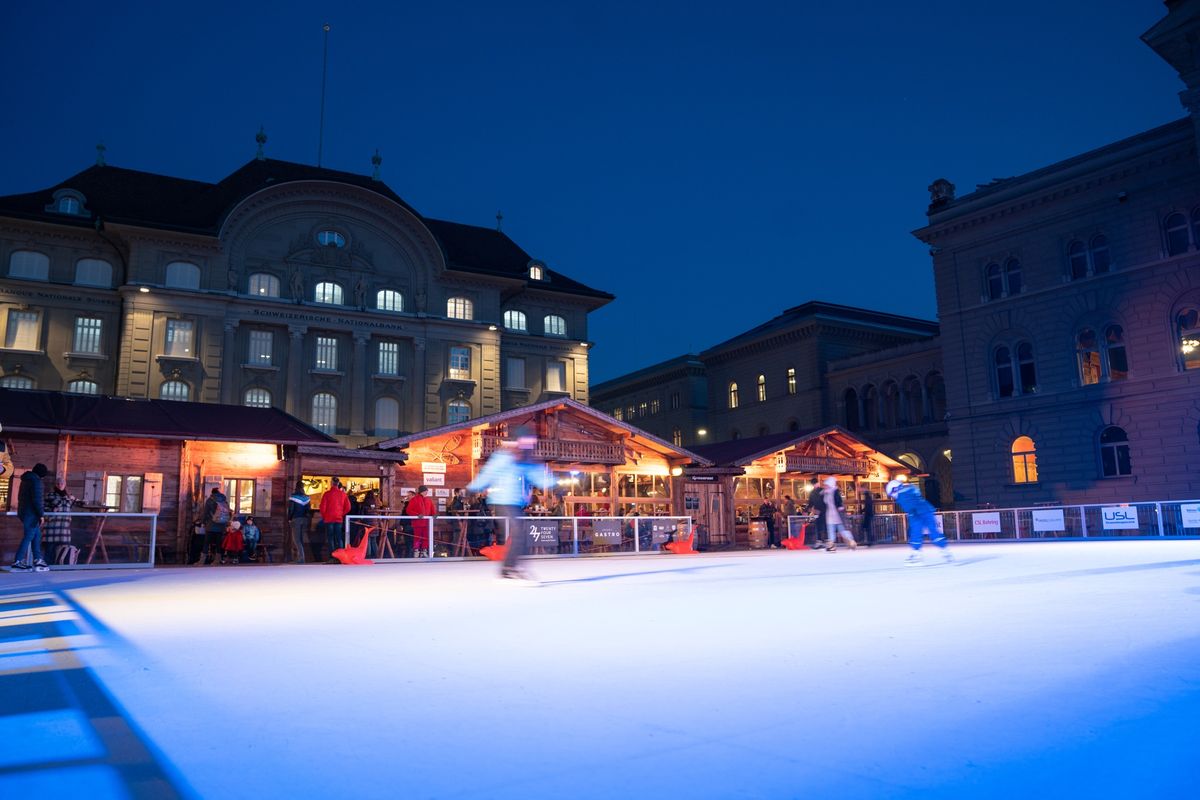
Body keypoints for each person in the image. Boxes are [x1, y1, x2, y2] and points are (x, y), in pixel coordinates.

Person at [467, 424, 554, 581]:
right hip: (501, 502)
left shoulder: (525, 459)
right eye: (526, 443)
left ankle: (508, 568)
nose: (528, 447)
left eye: (530, 444)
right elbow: (488, 473)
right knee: (519, 533)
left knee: (521, 534)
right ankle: (511, 568)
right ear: (519, 441)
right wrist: (473, 488)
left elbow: (537, 474)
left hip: (515, 503)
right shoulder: (503, 457)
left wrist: (554, 485)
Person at [886, 479, 953, 566]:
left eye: (892, 494)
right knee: (934, 532)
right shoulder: (910, 488)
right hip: (927, 511)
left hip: (916, 514)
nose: (893, 497)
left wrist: (912, 514)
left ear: (894, 489)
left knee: (916, 533)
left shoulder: (902, 495)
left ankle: (917, 556)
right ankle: (945, 551)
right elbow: (918, 496)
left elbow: (909, 507)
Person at [12, 463, 51, 572]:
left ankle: (38, 559)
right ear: (41, 474)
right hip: (32, 514)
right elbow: (37, 500)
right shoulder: (36, 481)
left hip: (24, 512)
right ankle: (18, 561)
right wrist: (41, 515)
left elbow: (21, 498)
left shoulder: (25, 480)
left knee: (36, 536)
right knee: (29, 536)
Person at [809, 477, 857, 552]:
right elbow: (819, 502)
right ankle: (831, 545)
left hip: (837, 515)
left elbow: (838, 501)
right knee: (830, 530)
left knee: (842, 530)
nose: (825, 486)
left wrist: (840, 508)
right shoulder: (824, 493)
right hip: (829, 515)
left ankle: (851, 542)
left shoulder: (835, 492)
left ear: (830, 485)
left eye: (826, 485)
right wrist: (817, 509)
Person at [43, 474, 80, 565]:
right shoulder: (49, 496)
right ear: (55, 484)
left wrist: (78, 500)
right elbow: (43, 508)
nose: (60, 484)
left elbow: (78, 504)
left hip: (64, 529)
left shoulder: (69, 497)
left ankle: (60, 569)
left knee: (63, 551)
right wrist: (52, 510)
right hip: (51, 528)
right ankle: (47, 567)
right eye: (58, 483)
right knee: (49, 551)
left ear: (65, 484)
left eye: (62, 483)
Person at [319, 477, 351, 562]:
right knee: (339, 538)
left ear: (331, 483)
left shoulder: (327, 494)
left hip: (329, 519)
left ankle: (332, 557)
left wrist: (325, 516)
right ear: (338, 483)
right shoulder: (343, 494)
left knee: (330, 538)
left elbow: (322, 508)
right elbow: (348, 507)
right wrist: (341, 514)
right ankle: (341, 557)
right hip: (338, 519)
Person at [200, 486, 232, 565]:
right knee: (219, 543)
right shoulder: (224, 500)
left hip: (211, 525)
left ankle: (202, 561)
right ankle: (217, 561)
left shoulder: (210, 500)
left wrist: (203, 522)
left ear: (212, 493)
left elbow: (205, 512)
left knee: (206, 543)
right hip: (221, 525)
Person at [405, 485, 436, 557]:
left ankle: (424, 551)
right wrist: (417, 515)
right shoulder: (414, 499)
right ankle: (417, 551)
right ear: (421, 491)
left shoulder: (429, 500)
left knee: (426, 537)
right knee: (417, 537)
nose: (426, 492)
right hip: (417, 522)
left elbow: (432, 510)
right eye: (425, 491)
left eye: (427, 491)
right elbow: (408, 510)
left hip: (427, 523)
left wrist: (434, 515)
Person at [287, 481, 311, 563]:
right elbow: (308, 511)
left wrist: (289, 518)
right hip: (304, 520)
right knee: (300, 539)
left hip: (296, 519)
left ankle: (301, 559)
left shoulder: (293, 497)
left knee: (296, 539)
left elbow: (291, 510)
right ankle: (300, 558)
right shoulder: (307, 498)